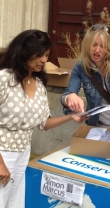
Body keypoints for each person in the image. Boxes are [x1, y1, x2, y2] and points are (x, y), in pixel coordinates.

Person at [0, 29, 86, 208]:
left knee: (15, 203)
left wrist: (72, 116)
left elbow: (44, 123)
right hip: (3, 151)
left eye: (47, 55)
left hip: (23, 152)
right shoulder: (4, 79)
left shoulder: (38, 85)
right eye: (40, 55)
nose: (45, 60)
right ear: (25, 52)